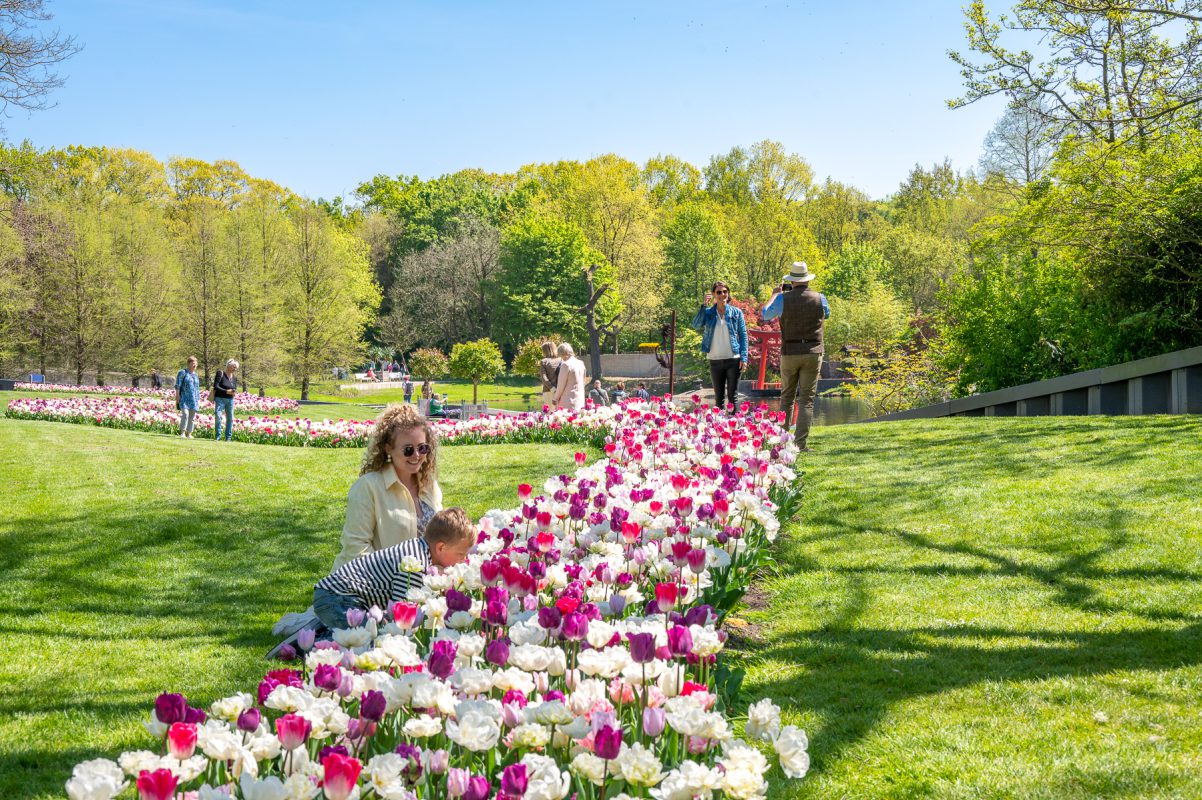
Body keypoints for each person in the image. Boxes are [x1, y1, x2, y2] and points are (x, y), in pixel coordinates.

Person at [313, 507, 475, 633]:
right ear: (441, 547)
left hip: (341, 596)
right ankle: (314, 642)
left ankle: (322, 628)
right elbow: (400, 612)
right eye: (460, 554)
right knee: (366, 638)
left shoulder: (418, 549)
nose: (463, 559)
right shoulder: (415, 564)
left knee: (369, 631)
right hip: (338, 597)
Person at [332, 404, 444, 570]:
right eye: (408, 450)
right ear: (388, 449)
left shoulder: (429, 484)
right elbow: (356, 548)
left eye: (423, 448)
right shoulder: (368, 487)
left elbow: (441, 536)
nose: (417, 455)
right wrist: (394, 583)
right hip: (363, 588)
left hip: (416, 586)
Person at [763, 261, 830, 452]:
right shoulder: (820, 298)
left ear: (791, 281)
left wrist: (774, 295)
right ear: (807, 280)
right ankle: (800, 444)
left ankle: (783, 442)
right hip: (813, 352)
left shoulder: (782, 299)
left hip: (790, 353)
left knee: (787, 398)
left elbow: (766, 314)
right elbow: (827, 314)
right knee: (807, 399)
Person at [691, 280, 748, 411]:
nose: (722, 294)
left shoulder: (736, 312)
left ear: (728, 293)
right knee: (719, 399)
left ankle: (736, 428)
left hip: (733, 359)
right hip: (714, 360)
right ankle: (719, 429)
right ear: (714, 295)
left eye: (725, 292)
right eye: (719, 292)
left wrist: (744, 358)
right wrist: (703, 306)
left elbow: (743, 335)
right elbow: (696, 324)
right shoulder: (709, 312)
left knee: (733, 397)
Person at [553, 343, 586, 411]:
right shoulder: (581, 363)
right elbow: (583, 381)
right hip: (580, 399)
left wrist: (555, 398)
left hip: (567, 400)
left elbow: (561, 385)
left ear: (562, 354)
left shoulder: (565, 365)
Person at [213, 358, 238, 442]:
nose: (234, 369)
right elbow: (216, 386)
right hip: (220, 398)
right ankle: (218, 436)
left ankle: (228, 437)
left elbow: (234, 388)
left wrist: (233, 392)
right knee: (218, 416)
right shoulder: (220, 373)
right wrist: (226, 391)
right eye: (233, 367)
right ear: (228, 365)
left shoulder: (234, 377)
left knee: (230, 418)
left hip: (230, 400)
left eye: (236, 368)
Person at [174, 357, 201, 439]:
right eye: (193, 363)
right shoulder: (183, 372)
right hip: (184, 398)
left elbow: (197, 388)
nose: (195, 365)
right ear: (188, 364)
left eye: (196, 363)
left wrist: (198, 399)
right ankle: (182, 432)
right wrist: (177, 395)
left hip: (194, 399)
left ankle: (189, 433)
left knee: (192, 417)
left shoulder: (196, 375)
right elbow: (178, 385)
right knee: (185, 414)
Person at [538, 341, 561, 408]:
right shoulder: (561, 360)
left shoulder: (544, 361)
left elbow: (544, 378)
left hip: (548, 391)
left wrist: (552, 388)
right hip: (560, 390)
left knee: (549, 414)